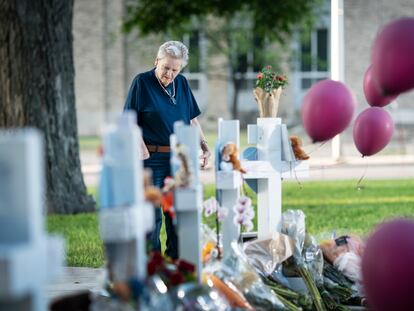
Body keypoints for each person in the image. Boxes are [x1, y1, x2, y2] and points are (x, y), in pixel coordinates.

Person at [123, 41, 211, 259]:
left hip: (179, 159)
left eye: (175, 69)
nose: (170, 74)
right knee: (152, 218)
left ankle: (176, 265)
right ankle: (153, 267)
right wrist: (142, 149)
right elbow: (129, 121)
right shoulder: (141, 83)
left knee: (177, 216)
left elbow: (192, 119)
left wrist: (204, 145)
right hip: (151, 159)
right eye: (166, 68)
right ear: (157, 62)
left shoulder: (181, 83)